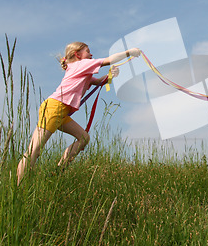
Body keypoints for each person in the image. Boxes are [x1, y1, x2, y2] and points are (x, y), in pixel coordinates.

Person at [17, 42, 141, 185]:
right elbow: (109, 60)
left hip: (60, 112)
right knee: (34, 150)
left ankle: (58, 171)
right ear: (77, 55)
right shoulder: (80, 65)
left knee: (83, 138)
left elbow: (98, 82)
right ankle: (18, 186)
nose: (91, 54)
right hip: (54, 109)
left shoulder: (82, 71)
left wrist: (110, 76)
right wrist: (130, 52)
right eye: (88, 51)